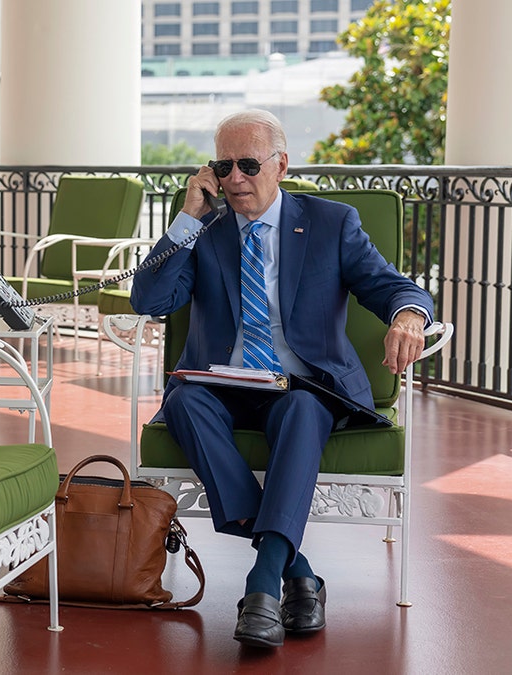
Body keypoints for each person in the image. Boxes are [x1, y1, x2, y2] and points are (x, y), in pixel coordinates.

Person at [129, 109, 433, 649]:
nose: (235, 178)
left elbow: (390, 286)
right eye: (223, 166)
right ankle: (298, 575)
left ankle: (263, 579)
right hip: (220, 384)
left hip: (301, 385)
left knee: (302, 408)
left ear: (281, 165)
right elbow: (150, 299)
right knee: (184, 403)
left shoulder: (330, 223)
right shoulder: (205, 231)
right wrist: (186, 217)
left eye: (248, 163)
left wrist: (409, 314)